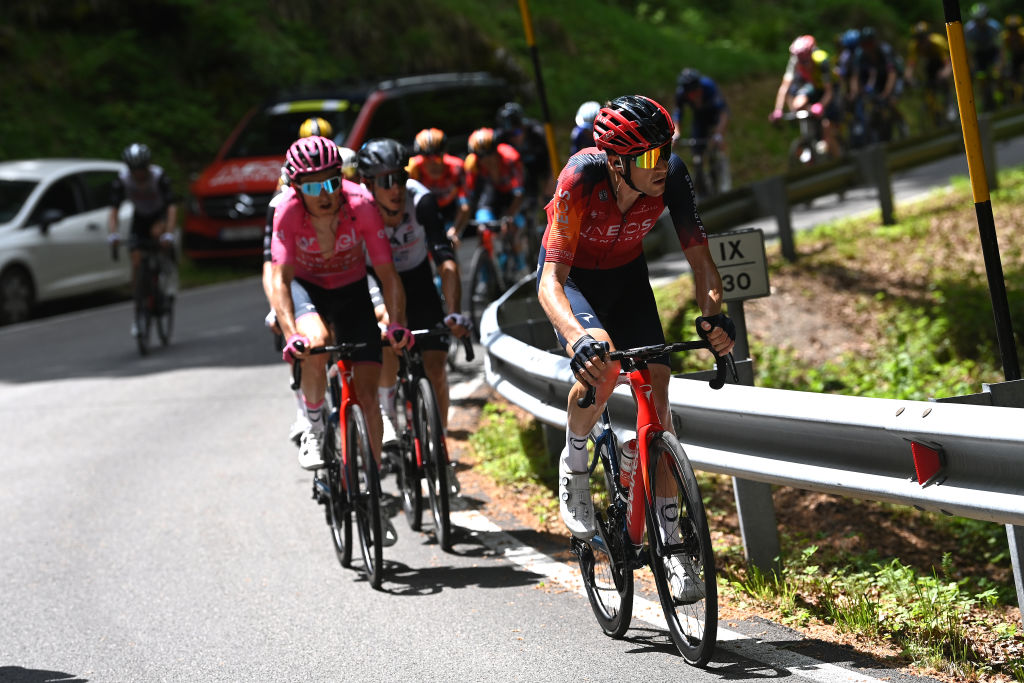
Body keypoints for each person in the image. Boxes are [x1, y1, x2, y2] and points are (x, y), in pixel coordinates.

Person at [535, 94, 735, 601]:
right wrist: (578, 337)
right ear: (618, 162)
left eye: (666, 151)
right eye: (650, 158)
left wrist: (713, 315)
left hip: (627, 279)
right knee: (601, 364)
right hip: (575, 280)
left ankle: (671, 541)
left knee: (658, 396)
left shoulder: (673, 176)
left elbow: (702, 264)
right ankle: (575, 461)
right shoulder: (580, 178)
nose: (662, 165)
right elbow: (549, 281)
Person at [268, 135, 408, 472]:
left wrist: (396, 323)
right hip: (308, 289)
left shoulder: (360, 203)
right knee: (313, 345)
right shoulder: (286, 210)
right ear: (297, 188)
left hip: (352, 289)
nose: (326, 195)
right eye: (313, 188)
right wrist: (291, 335)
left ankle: (373, 480)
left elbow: (387, 274)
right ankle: (314, 427)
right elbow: (280, 281)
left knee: (368, 394)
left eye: (332, 183)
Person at [356, 138, 471, 446]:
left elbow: (445, 261)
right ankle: (388, 415)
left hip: (417, 278)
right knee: (389, 339)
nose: (396, 188)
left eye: (401, 178)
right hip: (375, 280)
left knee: (436, 367)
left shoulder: (421, 200)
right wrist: (383, 311)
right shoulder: (357, 208)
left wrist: (454, 312)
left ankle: (440, 447)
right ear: (367, 184)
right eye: (386, 181)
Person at [260, 119, 355, 444]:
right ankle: (306, 412)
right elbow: (272, 265)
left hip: (342, 270)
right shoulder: (283, 194)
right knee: (299, 338)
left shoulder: (346, 162)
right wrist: (276, 308)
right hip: (300, 271)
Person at [108, 143, 178, 337]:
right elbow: (113, 209)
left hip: (159, 216)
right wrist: (113, 234)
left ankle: (167, 277)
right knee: (137, 260)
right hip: (140, 218)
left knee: (158, 236)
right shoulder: (123, 180)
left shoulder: (158, 176)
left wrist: (169, 233)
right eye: (134, 170)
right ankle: (139, 308)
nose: (138, 174)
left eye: (141, 169)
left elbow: (171, 206)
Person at [464, 127, 528, 273]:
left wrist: (509, 216)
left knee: (513, 228)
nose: (486, 160)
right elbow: (471, 195)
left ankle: (522, 266)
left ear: (496, 150)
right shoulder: (472, 165)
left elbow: (519, 193)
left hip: (512, 195)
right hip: (491, 195)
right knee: (483, 228)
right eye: (481, 157)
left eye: (490, 155)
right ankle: (486, 276)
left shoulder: (511, 158)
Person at [770, 35, 842, 158]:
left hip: (828, 88)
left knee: (827, 128)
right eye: (801, 60)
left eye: (806, 60)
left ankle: (839, 161)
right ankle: (808, 138)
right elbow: (784, 88)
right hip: (812, 86)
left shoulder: (822, 61)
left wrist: (820, 105)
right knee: (798, 103)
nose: (803, 63)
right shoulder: (794, 61)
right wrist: (778, 110)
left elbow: (828, 91)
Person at [672, 68, 731, 195]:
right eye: (691, 94)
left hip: (716, 116)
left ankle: (725, 184)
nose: (695, 96)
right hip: (700, 119)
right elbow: (677, 115)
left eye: (697, 92)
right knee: (697, 154)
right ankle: (701, 187)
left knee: (718, 146)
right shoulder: (681, 94)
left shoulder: (709, 86)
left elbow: (723, 113)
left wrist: (719, 134)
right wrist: (676, 133)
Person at [407, 127, 470, 244]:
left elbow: (465, 207)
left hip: (450, 211)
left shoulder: (457, 168)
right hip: (425, 213)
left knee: (449, 245)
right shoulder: (412, 170)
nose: (433, 164)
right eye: (427, 158)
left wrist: (455, 231)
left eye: (437, 157)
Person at [495, 102, 553, 219]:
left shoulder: (537, 133)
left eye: (517, 132)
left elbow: (552, 163)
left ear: (524, 126)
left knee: (549, 198)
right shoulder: (500, 138)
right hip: (518, 171)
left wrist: (548, 188)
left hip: (540, 166)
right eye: (509, 135)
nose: (514, 138)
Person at [905, 21, 954, 126]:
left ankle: (950, 104)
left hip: (941, 62)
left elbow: (948, 62)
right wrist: (909, 77)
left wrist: (945, 73)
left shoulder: (937, 42)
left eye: (923, 38)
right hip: (929, 64)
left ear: (928, 36)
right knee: (928, 87)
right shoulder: (914, 46)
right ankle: (935, 112)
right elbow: (911, 65)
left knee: (943, 80)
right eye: (918, 38)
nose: (921, 42)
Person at [965, 3, 1003, 110]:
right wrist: (972, 66)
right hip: (979, 54)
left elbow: (1000, 48)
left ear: (987, 16)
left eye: (982, 18)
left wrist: (1000, 63)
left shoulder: (994, 26)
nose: (980, 22)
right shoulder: (969, 29)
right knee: (981, 77)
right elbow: (969, 51)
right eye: (977, 19)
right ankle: (986, 100)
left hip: (992, 52)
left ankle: (1000, 97)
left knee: (997, 74)